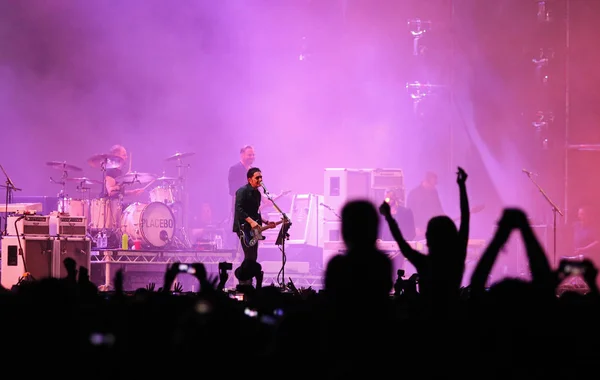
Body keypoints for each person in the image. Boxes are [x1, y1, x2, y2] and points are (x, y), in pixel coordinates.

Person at [232, 167, 276, 287]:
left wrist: (266, 222)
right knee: (249, 255)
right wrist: (250, 221)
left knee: (254, 255)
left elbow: (255, 212)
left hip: (254, 228)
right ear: (249, 179)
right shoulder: (242, 191)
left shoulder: (257, 194)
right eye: (257, 177)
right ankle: (243, 279)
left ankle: (249, 281)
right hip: (243, 227)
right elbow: (239, 209)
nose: (260, 179)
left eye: (261, 177)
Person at [406, 171, 444, 240]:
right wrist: (415, 227)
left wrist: (444, 219)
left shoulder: (434, 192)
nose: (434, 186)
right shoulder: (414, 194)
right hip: (419, 231)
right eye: (432, 184)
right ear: (426, 181)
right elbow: (409, 212)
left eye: (435, 184)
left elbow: (438, 209)